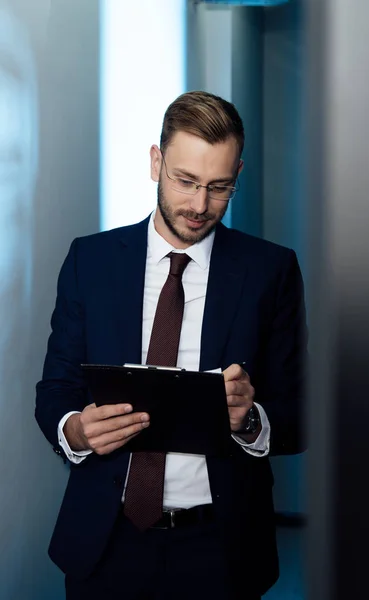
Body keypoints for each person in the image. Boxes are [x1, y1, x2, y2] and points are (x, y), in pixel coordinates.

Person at [35, 90, 307, 600]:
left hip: (220, 548)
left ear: (239, 174)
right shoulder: (89, 261)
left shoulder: (272, 271)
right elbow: (56, 388)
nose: (200, 206)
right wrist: (76, 429)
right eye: (186, 181)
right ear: (156, 162)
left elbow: (300, 415)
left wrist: (252, 419)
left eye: (220, 187)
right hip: (105, 541)